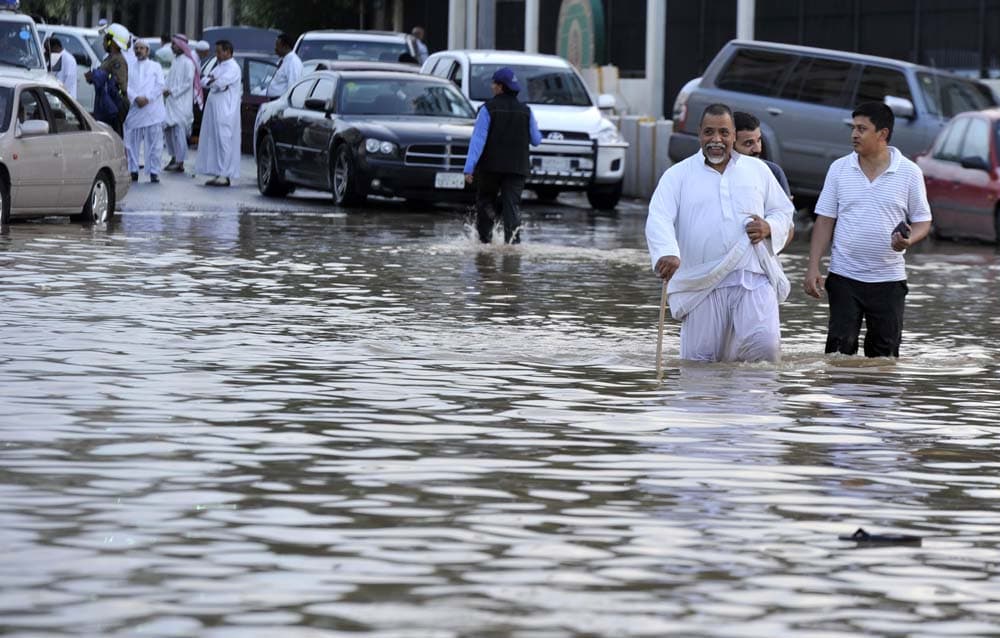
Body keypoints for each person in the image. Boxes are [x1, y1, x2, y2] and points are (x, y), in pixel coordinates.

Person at [645, 103, 794, 363]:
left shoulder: (758, 171)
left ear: (734, 135)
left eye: (724, 133)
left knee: (765, 350)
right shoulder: (677, 176)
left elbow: (783, 211)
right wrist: (667, 253)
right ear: (699, 133)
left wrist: (769, 227)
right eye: (709, 132)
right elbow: (659, 217)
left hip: (753, 276)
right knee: (700, 362)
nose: (716, 140)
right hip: (702, 281)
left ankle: (751, 404)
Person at [804, 101, 932, 358]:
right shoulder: (839, 169)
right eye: (853, 128)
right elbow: (825, 220)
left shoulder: (909, 172)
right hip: (843, 277)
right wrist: (813, 267)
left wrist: (908, 241)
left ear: (882, 134)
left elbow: (922, 221)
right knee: (838, 354)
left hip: (889, 280)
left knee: (884, 359)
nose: (854, 134)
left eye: (862, 129)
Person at [463, 67, 542, 244]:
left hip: (491, 167)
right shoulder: (526, 111)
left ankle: (484, 244)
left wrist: (469, 167)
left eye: (494, 83)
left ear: (500, 87)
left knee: (485, 202)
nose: (492, 87)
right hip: (517, 168)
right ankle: (513, 247)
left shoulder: (487, 109)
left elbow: (478, 141)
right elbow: (536, 140)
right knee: (512, 206)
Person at [195, 40, 241, 187]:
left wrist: (212, 81)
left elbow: (220, 83)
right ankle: (217, 172)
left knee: (224, 140)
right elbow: (203, 80)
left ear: (228, 52)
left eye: (219, 51)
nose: (217, 54)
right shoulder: (220, 66)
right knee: (214, 140)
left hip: (225, 110)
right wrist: (211, 80)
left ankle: (225, 174)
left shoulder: (233, 67)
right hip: (214, 109)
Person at [124, 40, 166, 183]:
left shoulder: (156, 66)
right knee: (131, 143)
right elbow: (125, 85)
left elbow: (160, 85)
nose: (139, 50)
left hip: (152, 109)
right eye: (136, 48)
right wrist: (136, 98)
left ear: (147, 51)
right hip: (135, 108)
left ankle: (154, 171)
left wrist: (147, 98)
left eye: (142, 48)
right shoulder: (129, 66)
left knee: (154, 143)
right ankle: (133, 170)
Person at [162, 34, 202, 173]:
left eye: (174, 44)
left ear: (181, 45)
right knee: (169, 130)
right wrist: (164, 88)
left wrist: (172, 91)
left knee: (179, 132)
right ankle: (173, 157)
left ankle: (180, 162)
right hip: (171, 102)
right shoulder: (176, 61)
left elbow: (187, 83)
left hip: (181, 103)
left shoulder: (188, 62)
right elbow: (169, 79)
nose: (172, 47)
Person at [733, 111, 791, 197]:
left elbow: (786, 209)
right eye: (748, 143)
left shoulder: (773, 172)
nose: (758, 149)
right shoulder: (715, 174)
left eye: (759, 140)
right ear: (730, 145)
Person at [86, 23, 129, 136]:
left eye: (105, 39)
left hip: (114, 105)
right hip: (106, 105)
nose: (103, 42)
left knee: (114, 137)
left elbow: (121, 85)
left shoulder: (117, 61)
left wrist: (97, 76)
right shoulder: (109, 58)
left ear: (112, 42)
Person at [266, 32, 302, 98]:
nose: (275, 49)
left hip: (280, 102)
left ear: (286, 47)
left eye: (277, 46)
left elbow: (292, 86)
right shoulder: (283, 60)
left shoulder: (293, 62)